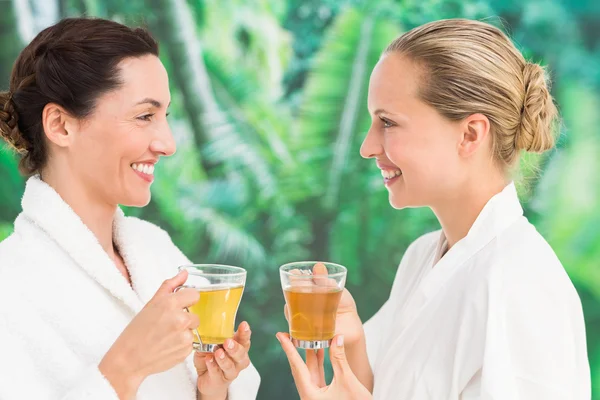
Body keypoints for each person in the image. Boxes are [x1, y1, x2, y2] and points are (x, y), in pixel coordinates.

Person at [277, 18, 591, 399]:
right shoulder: (423, 257)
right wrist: (353, 340)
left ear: (470, 134)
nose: (367, 146)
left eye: (388, 123)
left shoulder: (522, 286)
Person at [0, 18, 259, 400]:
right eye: (144, 116)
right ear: (61, 125)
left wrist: (213, 388)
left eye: (165, 117)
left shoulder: (156, 251)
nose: (168, 144)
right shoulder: (11, 285)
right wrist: (126, 366)